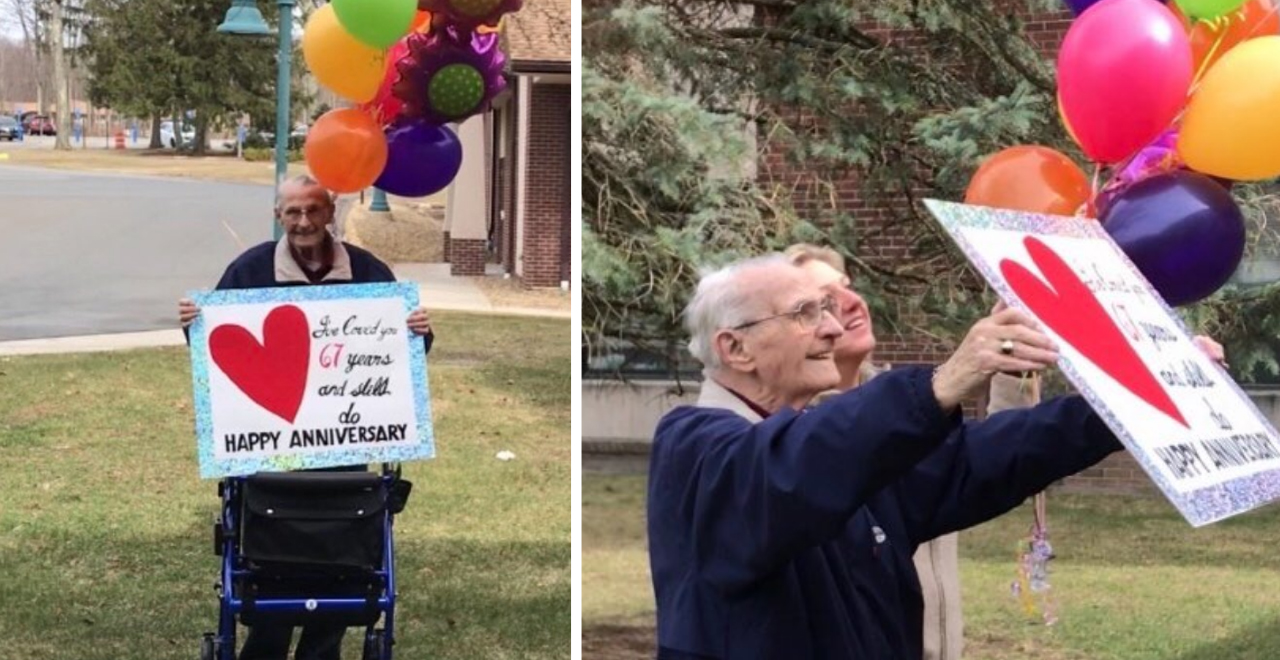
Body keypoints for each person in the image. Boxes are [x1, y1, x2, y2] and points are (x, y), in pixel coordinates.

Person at [649, 253, 1127, 660]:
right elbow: (788, 473)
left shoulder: (837, 450)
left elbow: (980, 458)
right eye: (804, 313)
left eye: (828, 311)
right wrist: (944, 382)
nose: (834, 329)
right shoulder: (695, 447)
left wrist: (1127, 408)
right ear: (735, 348)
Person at [179, 175, 434, 660]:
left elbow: (405, 358)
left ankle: (321, 649)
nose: (303, 222)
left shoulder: (368, 272)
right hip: (269, 452)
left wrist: (418, 332)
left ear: (330, 213)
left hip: (345, 447)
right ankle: (268, 645)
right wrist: (196, 324)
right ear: (279, 217)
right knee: (271, 557)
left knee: (344, 558)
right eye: (292, 212)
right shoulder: (250, 270)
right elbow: (216, 356)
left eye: (313, 211)